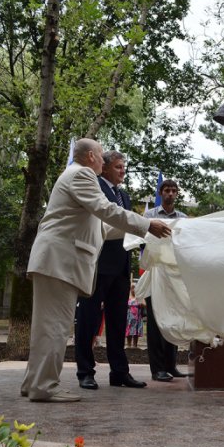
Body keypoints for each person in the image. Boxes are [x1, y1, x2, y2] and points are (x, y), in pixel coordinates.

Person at [20, 138, 172, 403]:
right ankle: (44, 386)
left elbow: (103, 228)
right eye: (102, 156)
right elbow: (106, 210)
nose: (103, 161)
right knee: (54, 327)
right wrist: (146, 224)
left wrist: (144, 233)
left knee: (47, 326)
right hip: (60, 261)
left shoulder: (76, 177)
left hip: (57, 261)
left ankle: (34, 382)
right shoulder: (81, 175)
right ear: (91, 156)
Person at [75, 150, 148, 391]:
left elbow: (127, 227)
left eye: (123, 167)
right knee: (89, 319)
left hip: (121, 267)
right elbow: (105, 220)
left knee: (118, 321)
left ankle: (119, 372)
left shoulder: (124, 195)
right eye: (118, 167)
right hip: (98, 264)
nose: (123, 171)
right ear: (104, 168)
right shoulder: (94, 187)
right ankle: (85, 371)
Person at [143, 179, 188, 382]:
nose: (170, 193)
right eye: (167, 190)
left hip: (174, 276)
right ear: (161, 193)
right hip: (155, 274)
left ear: (177, 194)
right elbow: (141, 241)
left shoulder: (184, 219)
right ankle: (157, 368)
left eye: (173, 191)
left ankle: (171, 365)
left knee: (173, 319)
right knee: (155, 322)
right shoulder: (149, 216)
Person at [125, 284, 144, 349]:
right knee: (129, 330)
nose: (133, 290)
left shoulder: (139, 297)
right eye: (132, 288)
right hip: (129, 317)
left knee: (136, 331)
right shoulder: (128, 297)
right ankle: (129, 345)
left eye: (135, 288)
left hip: (137, 317)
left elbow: (145, 304)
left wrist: (141, 302)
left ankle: (135, 345)